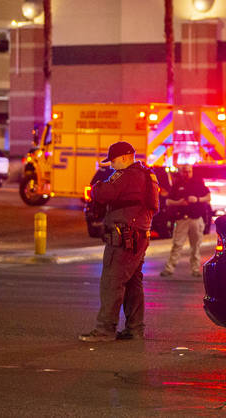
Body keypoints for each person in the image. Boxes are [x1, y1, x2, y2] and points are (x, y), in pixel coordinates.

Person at [79, 141, 160, 343]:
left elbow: (103, 193)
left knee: (112, 282)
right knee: (133, 283)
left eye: (113, 161)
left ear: (124, 157)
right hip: (139, 235)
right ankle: (135, 329)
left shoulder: (128, 175)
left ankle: (105, 329)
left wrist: (97, 184)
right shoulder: (147, 175)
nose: (112, 166)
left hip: (124, 237)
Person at [160, 164, 211, 277]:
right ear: (181, 172)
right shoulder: (177, 184)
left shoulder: (198, 183)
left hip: (196, 219)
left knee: (196, 246)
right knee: (177, 245)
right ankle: (169, 268)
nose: (187, 174)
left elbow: (208, 197)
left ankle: (195, 269)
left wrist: (197, 199)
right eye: (184, 171)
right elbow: (168, 201)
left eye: (189, 171)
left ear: (192, 171)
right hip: (182, 219)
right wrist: (179, 203)